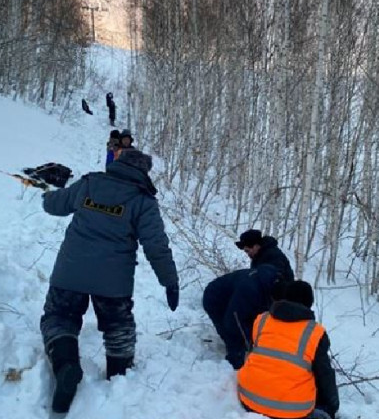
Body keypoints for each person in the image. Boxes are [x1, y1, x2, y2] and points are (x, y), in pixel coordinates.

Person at [39, 149, 179, 413]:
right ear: (143, 172)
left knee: (59, 317)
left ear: (119, 163)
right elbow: (156, 245)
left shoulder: (90, 183)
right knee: (118, 327)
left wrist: (47, 196)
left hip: (71, 272)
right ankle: (119, 377)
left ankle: (66, 364)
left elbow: (55, 205)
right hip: (114, 281)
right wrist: (169, 281)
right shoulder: (143, 201)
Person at [238, 281, 339, 419]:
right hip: (291, 411)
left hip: (248, 398)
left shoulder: (261, 320)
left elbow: (254, 353)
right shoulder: (315, 332)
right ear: (309, 303)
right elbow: (325, 375)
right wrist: (331, 408)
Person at [202, 229, 293, 369]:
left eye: (248, 250)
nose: (248, 254)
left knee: (247, 325)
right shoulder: (260, 261)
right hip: (216, 298)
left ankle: (252, 356)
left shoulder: (272, 259)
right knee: (233, 328)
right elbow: (235, 320)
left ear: (257, 245)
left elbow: (273, 286)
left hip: (276, 297)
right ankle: (236, 364)